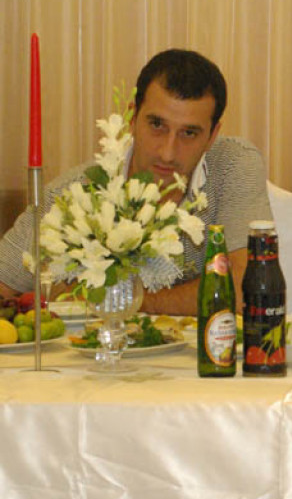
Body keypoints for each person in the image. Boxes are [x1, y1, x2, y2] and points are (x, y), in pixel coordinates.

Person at [0, 49, 273, 315]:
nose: (167, 152)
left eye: (189, 133)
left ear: (213, 136)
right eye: (157, 125)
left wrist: (120, 300)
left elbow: (246, 289)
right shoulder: (74, 194)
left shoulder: (232, 165)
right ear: (132, 118)